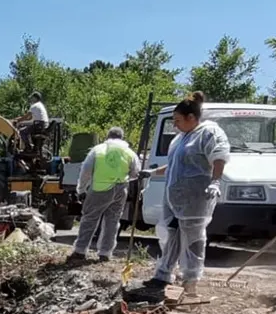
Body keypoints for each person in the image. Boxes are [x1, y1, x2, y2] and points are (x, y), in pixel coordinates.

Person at [135, 92, 229, 299]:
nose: (175, 125)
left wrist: (215, 181)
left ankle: (191, 280)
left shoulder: (209, 133)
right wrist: (153, 172)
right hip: (175, 198)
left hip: (195, 197)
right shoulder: (181, 138)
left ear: (191, 118)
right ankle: (163, 274)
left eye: (178, 120)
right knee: (171, 235)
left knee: (193, 239)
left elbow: (219, 157)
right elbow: (175, 166)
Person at [68, 127, 140, 264]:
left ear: (108, 136)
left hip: (99, 189)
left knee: (89, 219)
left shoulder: (98, 150)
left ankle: (80, 250)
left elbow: (86, 171)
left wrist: (81, 189)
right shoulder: (129, 152)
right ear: (122, 137)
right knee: (113, 221)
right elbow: (135, 173)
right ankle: (105, 253)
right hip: (121, 189)